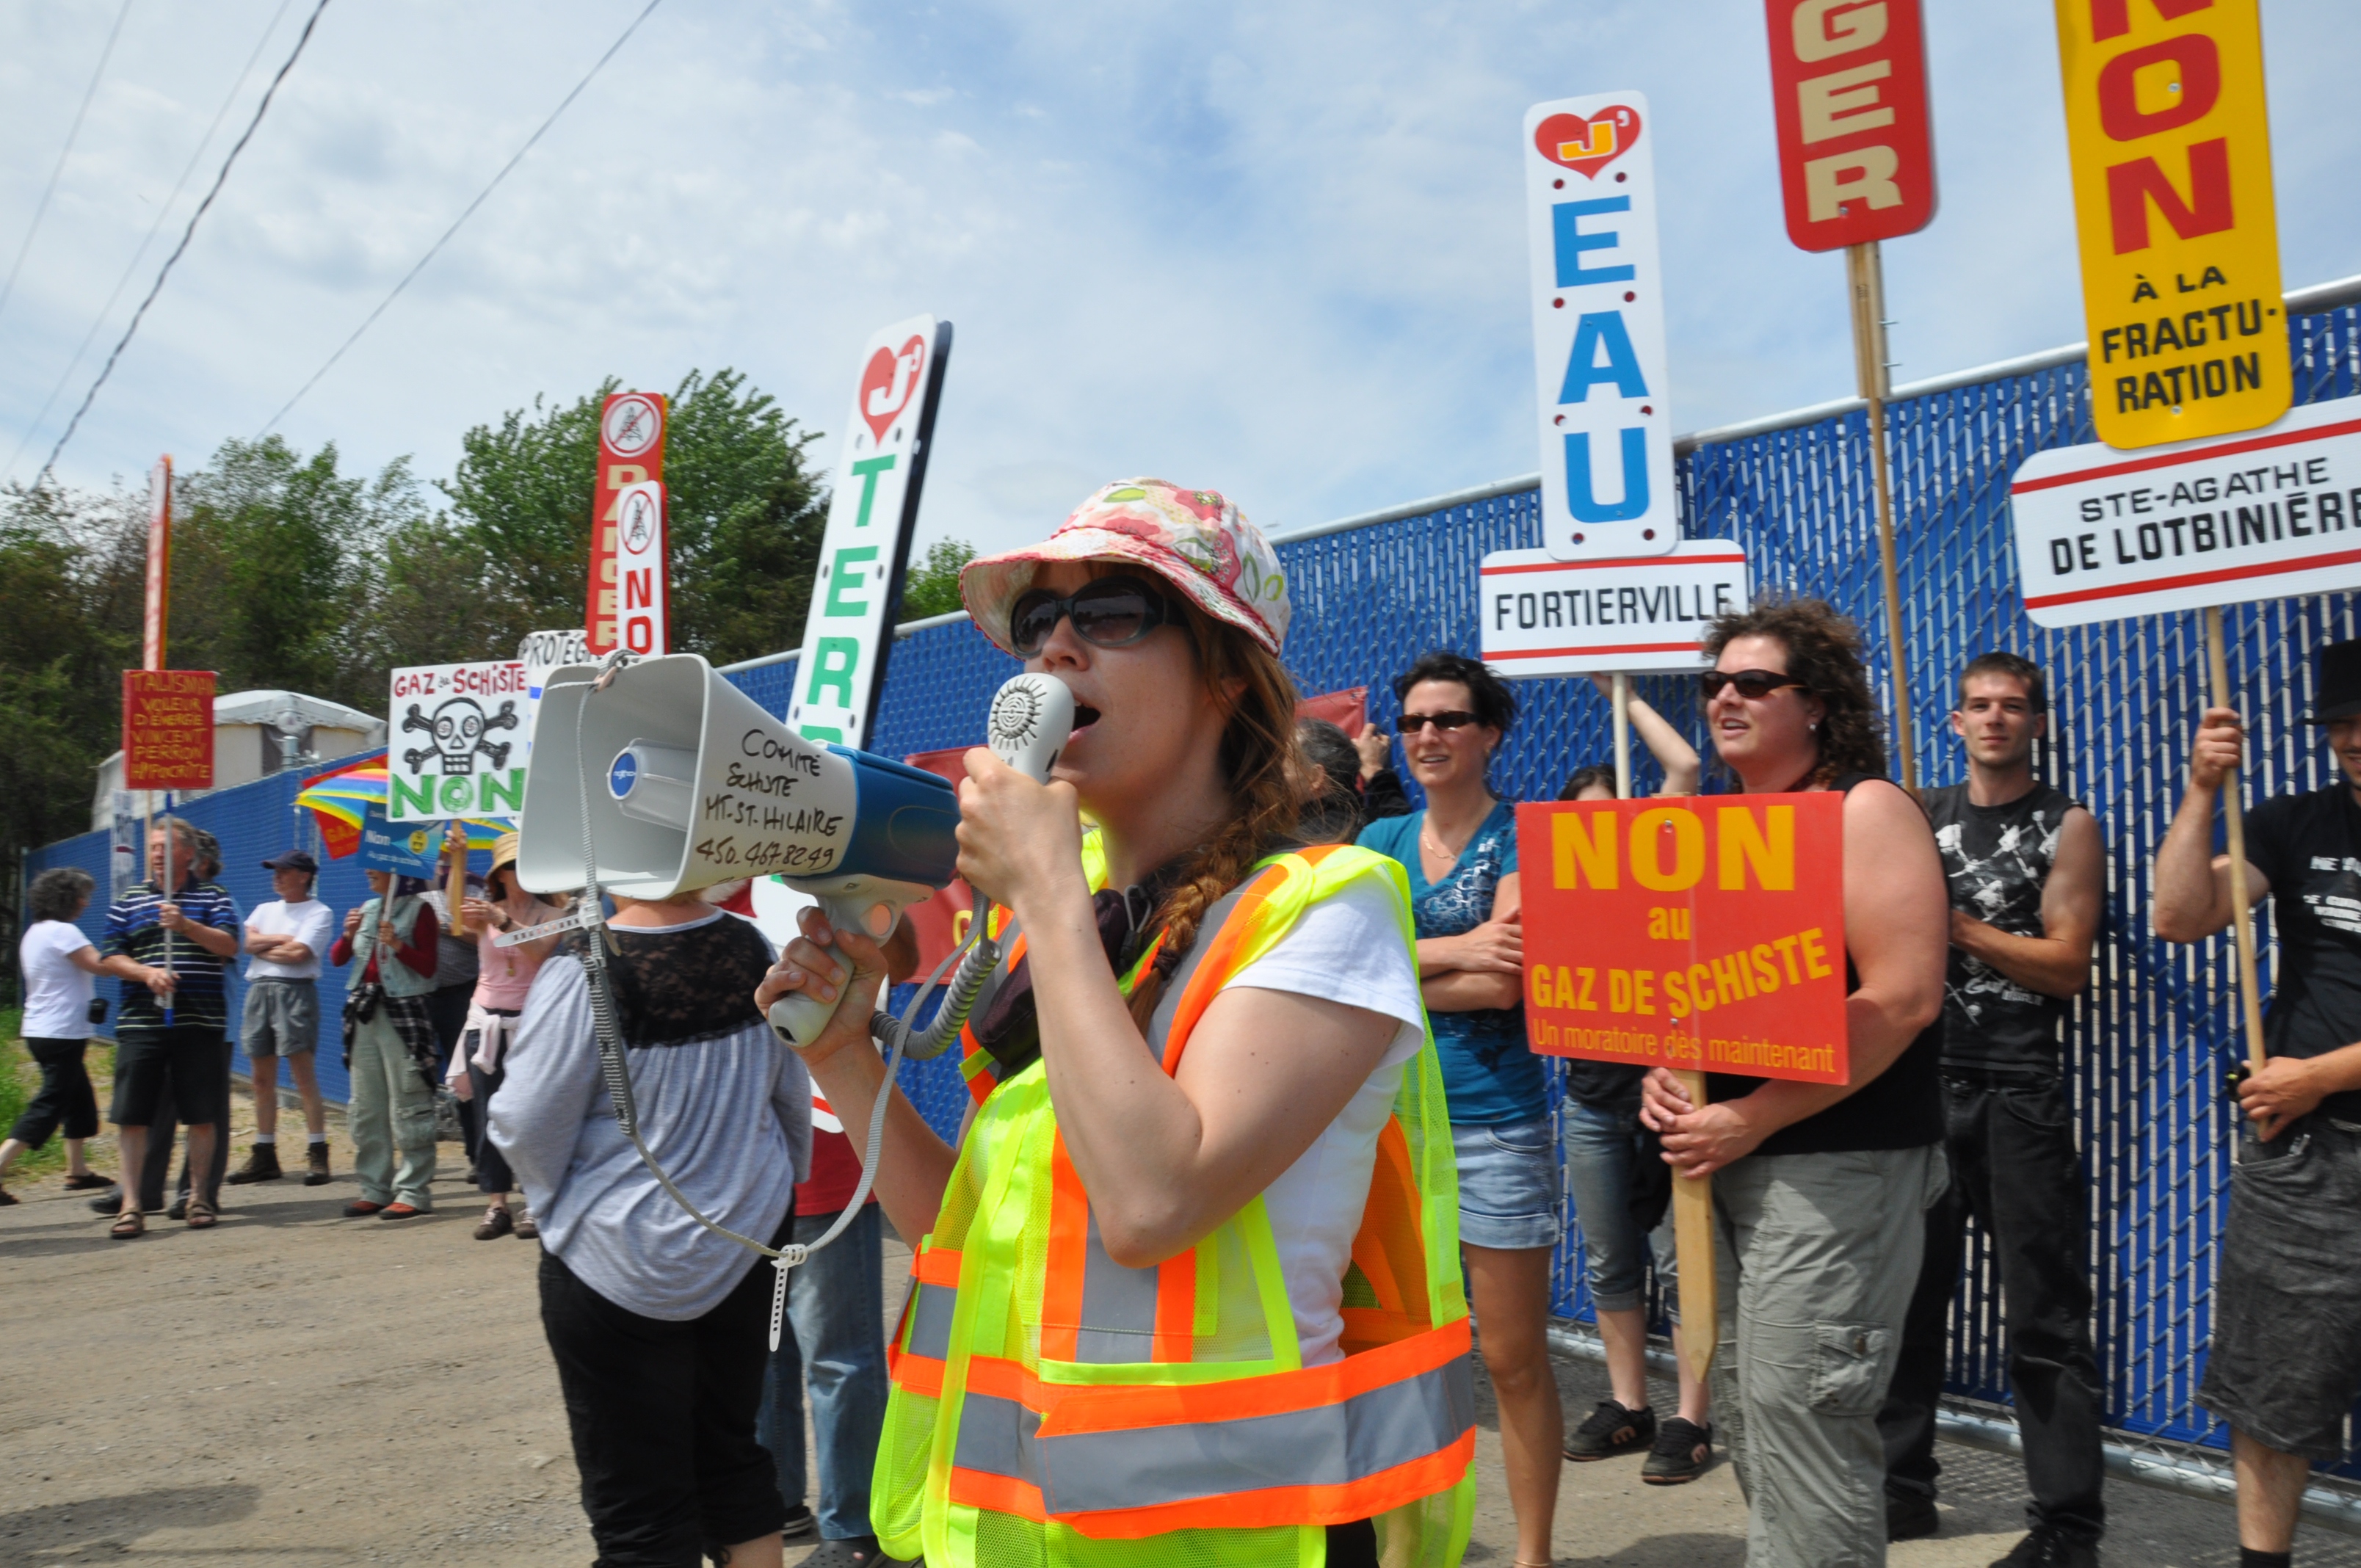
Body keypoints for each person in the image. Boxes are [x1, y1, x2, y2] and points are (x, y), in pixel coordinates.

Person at [761, 479, 1474, 1568]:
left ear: (1228, 677)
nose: (1056, 650)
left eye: (1110, 614)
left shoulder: (1326, 907)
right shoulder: (1080, 903)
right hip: (1017, 1534)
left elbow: (1153, 1201)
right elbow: (966, 1228)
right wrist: (845, 1056)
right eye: (1039, 622)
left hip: (1225, 1541)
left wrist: (1045, 900)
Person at [1639, 600, 1948, 1568]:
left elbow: (1900, 1000)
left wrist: (1751, 1113)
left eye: (1754, 683)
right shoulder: (1724, 826)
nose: (1725, 696)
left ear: (1815, 704)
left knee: (1805, 1412)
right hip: (1724, 1160)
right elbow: (1703, 998)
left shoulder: (1864, 809)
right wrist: (1668, 1072)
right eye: (1715, 683)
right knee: (1748, 1406)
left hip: (1833, 1164)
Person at [491, 882, 813, 1568]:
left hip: (616, 1255)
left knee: (638, 1504)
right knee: (734, 1458)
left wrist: (554, 1208)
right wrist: (771, 1185)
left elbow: (524, 1119)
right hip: (747, 1239)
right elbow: (790, 1087)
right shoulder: (753, 945)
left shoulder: (586, 966)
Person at [1878, 653, 2108, 1565]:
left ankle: (2067, 1527)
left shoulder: (2067, 823)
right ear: (1954, 720)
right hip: (1923, 1085)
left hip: (2020, 1091)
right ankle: (1901, 1492)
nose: (1995, 720)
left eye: (2013, 707)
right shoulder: (1918, 814)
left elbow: (2065, 964)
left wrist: (1957, 925)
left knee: (2044, 1319)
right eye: (1979, 705)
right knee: (1907, 1302)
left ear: (2037, 722)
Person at [2153, 636, 2361, 1568]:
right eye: (2342, 725)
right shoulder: (2290, 822)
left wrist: (2320, 1073)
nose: (2354, 740)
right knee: (2273, 1391)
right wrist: (2201, 791)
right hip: (2305, 1161)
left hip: (2311, 1096)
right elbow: (2180, 915)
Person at [1355, 649, 1561, 1565]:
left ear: (1490, 735)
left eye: (1447, 720)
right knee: (1401, 1361)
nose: (1427, 736)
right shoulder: (1379, 843)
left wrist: (1401, 964)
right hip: (1387, 1131)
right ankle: (1408, 1549)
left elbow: (1506, 984)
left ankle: (1532, 1554)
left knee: (1512, 1362)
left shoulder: (1523, 837)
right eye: (1413, 723)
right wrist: (1454, 951)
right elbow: (1350, 979)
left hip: (1494, 1125)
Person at [1554, 674, 1715, 1484]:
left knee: (1683, 1263)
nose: (1600, 836)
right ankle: (1629, 1405)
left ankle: (1691, 1418)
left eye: (1613, 820)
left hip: (1670, 1097)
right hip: (1591, 1101)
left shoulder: (1667, 877)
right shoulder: (1563, 901)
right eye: (1582, 827)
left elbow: (1683, 768)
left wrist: (1615, 690)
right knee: (1611, 1262)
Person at [751, 875, 920, 1567]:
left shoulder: (803, 869)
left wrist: (854, 888)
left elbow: (903, 956)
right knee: (762, 1359)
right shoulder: (667, 899)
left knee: (838, 1358)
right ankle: (777, 1499)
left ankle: (853, 1529)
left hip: (829, 1157)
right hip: (744, 1182)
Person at [93, 817, 242, 1236]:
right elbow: (110, 956)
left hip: (200, 1019)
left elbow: (230, 945)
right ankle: (132, 1204)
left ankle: (198, 1198)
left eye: (164, 846)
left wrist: (187, 926)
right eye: (153, 847)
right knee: (133, 1115)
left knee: (201, 1114)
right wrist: (145, 974)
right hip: (142, 1021)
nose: (156, 854)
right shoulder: (130, 900)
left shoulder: (214, 896)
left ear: (188, 853)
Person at [452, 832, 564, 1240]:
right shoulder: (486, 911)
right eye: (513, 866)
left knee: (534, 1115)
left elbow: (543, 950)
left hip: (533, 1024)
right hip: (486, 1023)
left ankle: (535, 1202)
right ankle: (496, 1203)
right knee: (489, 1115)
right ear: (500, 874)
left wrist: (503, 922)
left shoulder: (552, 914)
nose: (521, 873)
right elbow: (454, 917)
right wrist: (459, 861)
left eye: (527, 864)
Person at [330, 868, 440, 1218]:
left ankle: (412, 1190)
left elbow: (429, 968)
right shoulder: (368, 907)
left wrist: (397, 945)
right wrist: (348, 935)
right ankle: (375, 1187)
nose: (367, 871)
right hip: (364, 1010)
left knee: (408, 1101)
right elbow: (337, 958)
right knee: (367, 1104)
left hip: (403, 1010)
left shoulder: (420, 911)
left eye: (376, 868)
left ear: (396, 872)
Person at [1, 868, 113, 1202]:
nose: (85, 902)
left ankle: (77, 1171)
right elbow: (100, 964)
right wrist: (134, 959)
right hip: (61, 1032)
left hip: (42, 1029)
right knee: (50, 1103)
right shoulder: (64, 932)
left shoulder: (35, 932)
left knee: (78, 1099)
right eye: (83, 895)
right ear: (69, 899)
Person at [228, 849, 336, 1187]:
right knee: (261, 1079)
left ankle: (317, 1150)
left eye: (284, 870)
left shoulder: (319, 912)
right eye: (274, 870)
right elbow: (244, 943)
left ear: (304, 875)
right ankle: (264, 1153)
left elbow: (299, 954)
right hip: (259, 990)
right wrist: (279, 940)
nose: (276, 876)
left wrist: (266, 946)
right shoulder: (264, 909)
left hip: (295, 992)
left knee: (303, 1075)